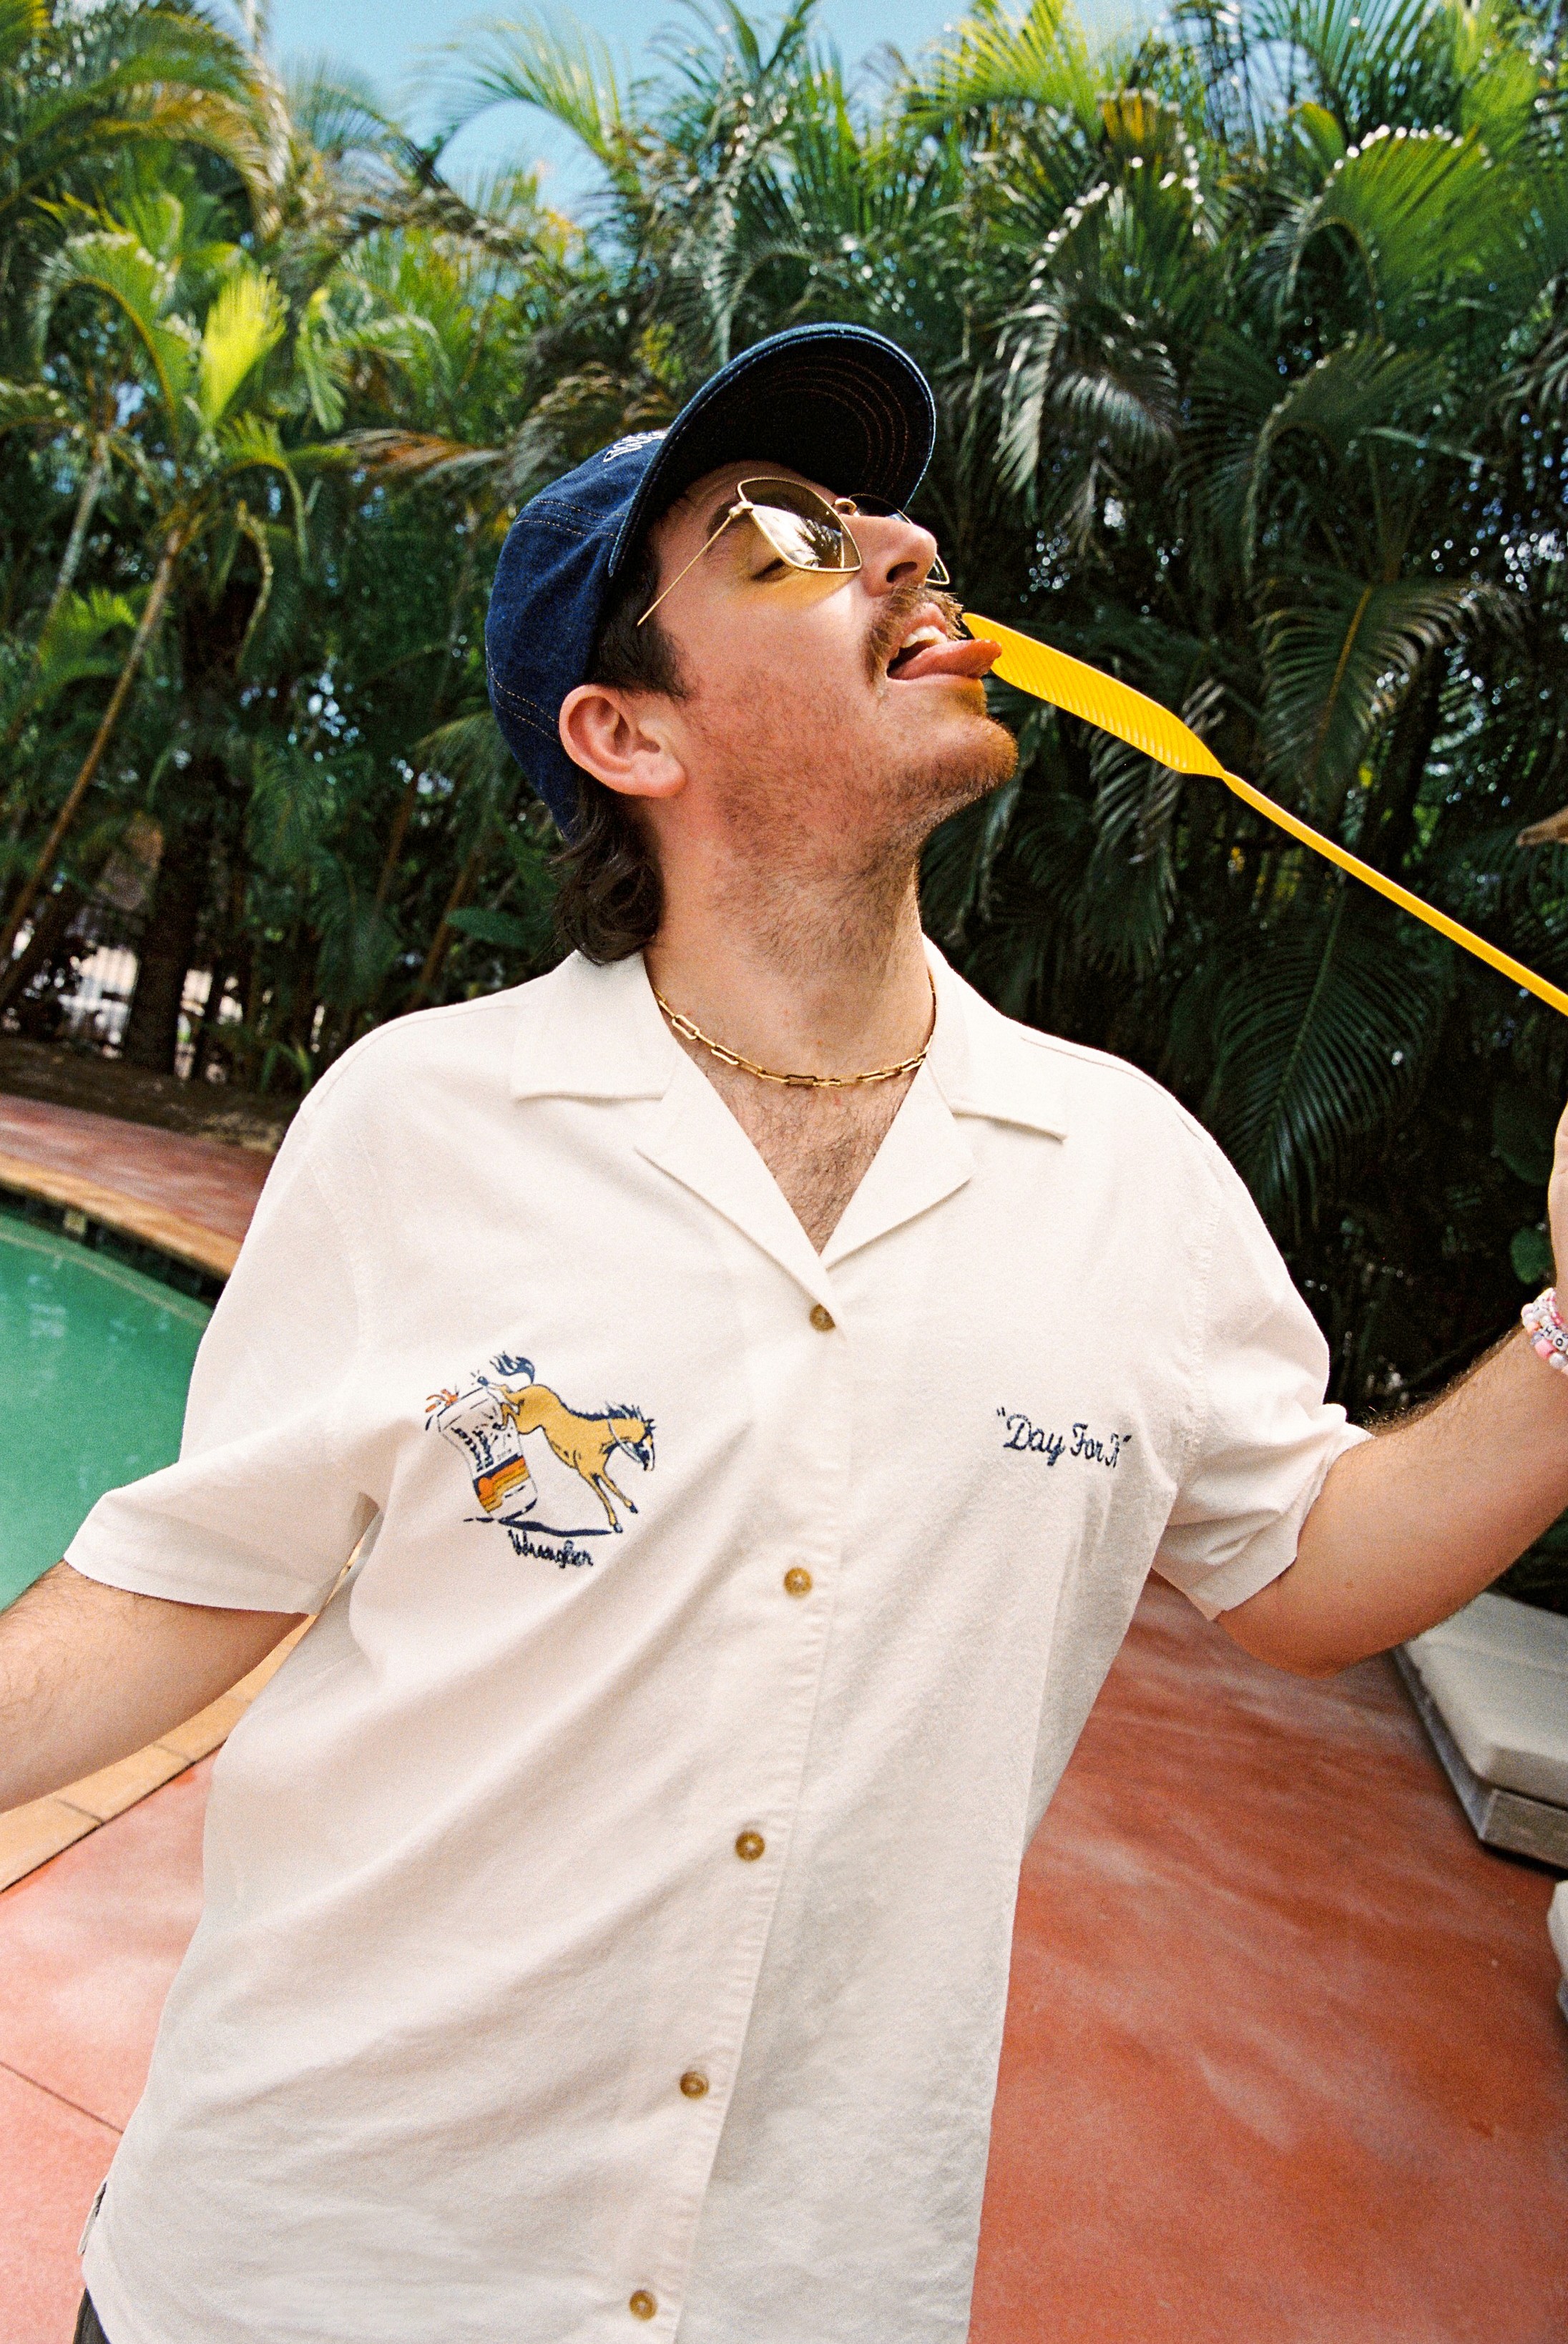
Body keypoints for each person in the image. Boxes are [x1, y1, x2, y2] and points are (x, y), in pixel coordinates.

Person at [4, 323, 1566, 2344]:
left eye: (886, 523)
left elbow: (1310, 1563)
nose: (906, 548)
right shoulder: (421, 1121)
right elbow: (186, 1588)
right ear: (627, 734)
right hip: (302, 2277)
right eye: (786, 541)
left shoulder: (1128, 1172)